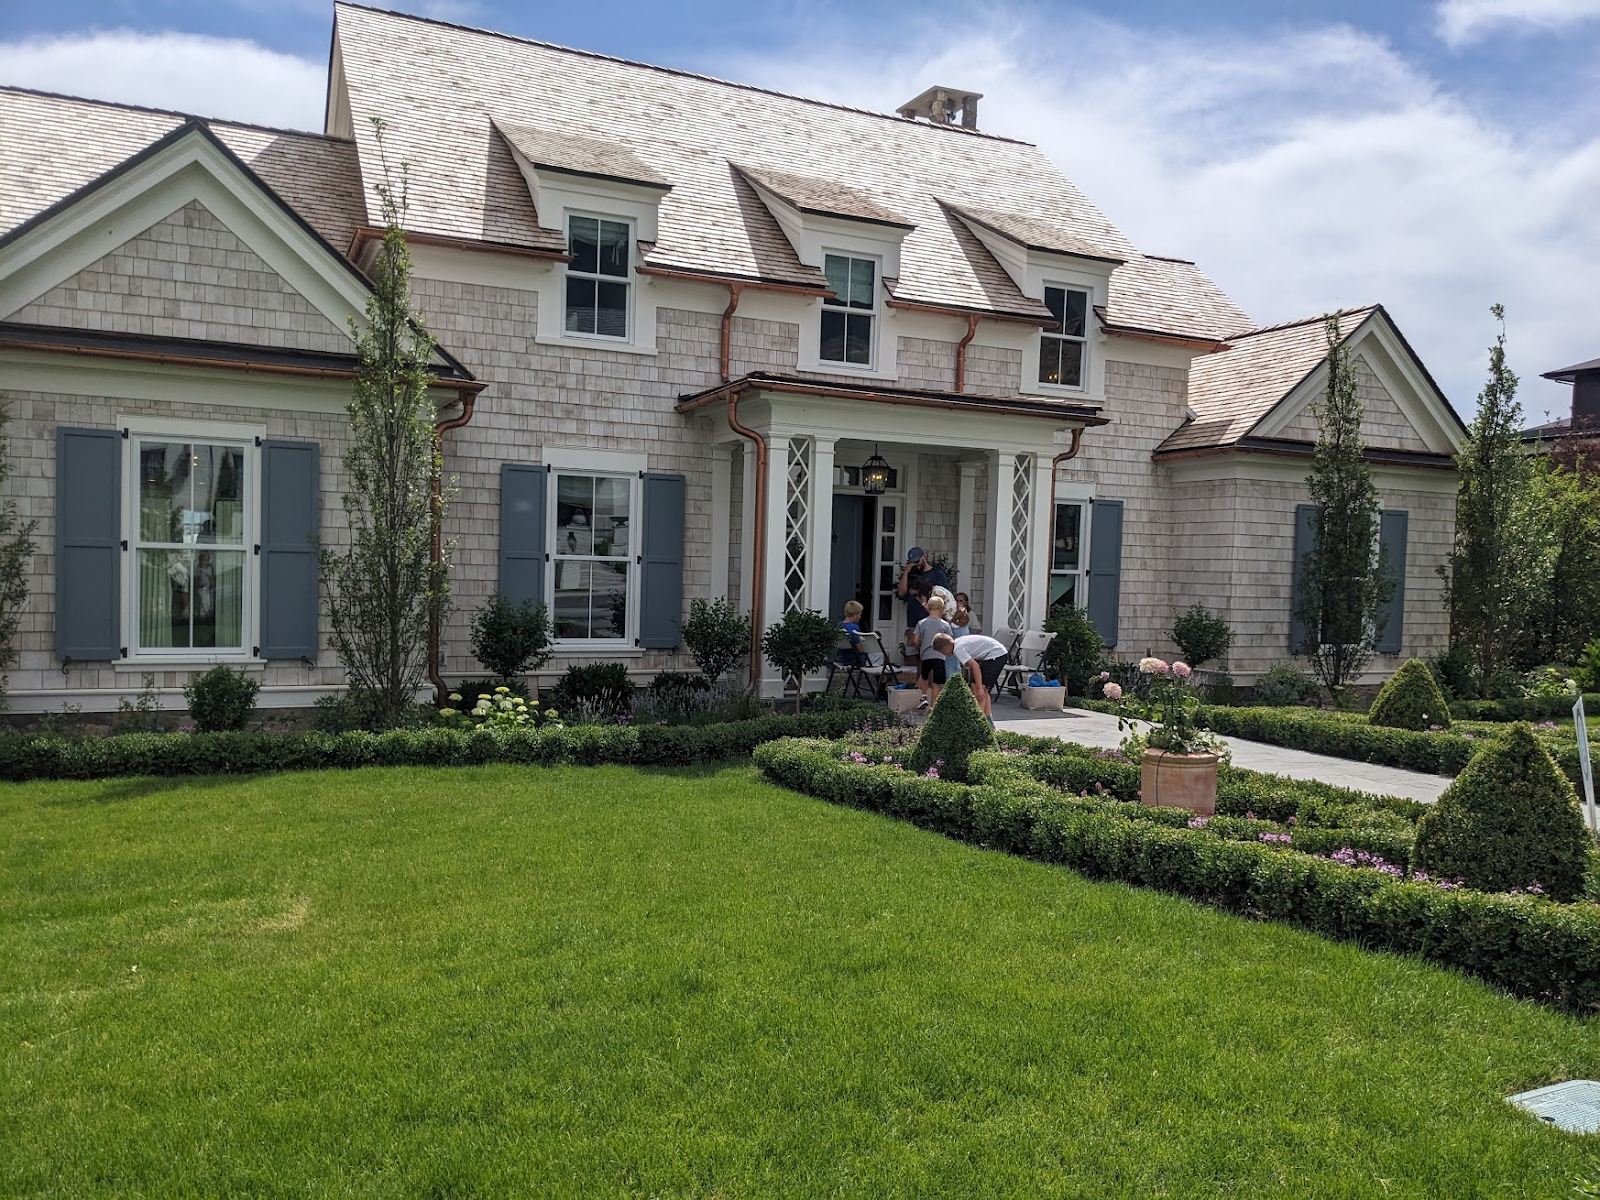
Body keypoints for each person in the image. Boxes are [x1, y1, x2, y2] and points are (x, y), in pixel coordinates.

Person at [932, 631, 1009, 720]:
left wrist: (979, 688)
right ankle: (988, 720)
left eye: (942, 652)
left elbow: (975, 666)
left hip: (996, 655)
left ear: (945, 648)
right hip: (995, 652)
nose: (943, 654)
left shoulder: (958, 650)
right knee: (977, 687)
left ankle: (979, 720)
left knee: (978, 689)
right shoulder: (958, 642)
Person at [897, 547, 949, 663]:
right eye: (912, 562)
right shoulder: (911, 574)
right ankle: (919, 675)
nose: (915, 565)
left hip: (929, 620)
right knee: (915, 655)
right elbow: (901, 593)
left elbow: (944, 596)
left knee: (929, 655)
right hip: (913, 620)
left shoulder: (937, 574)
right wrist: (906, 572)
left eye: (917, 561)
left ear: (923, 557)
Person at [910, 595, 953, 707]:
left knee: (924, 676)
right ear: (941, 609)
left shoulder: (922, 623)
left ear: (928, 607)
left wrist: (919, 647)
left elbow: (915, 640)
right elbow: (950, 640)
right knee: (936, 681)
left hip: (925, 654)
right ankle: (934, 704)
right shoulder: (944, 624)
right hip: (940, 655)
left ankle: (924, 697)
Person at [837, 599, 864, 666]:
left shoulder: (839, 625)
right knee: (883, 654)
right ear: (855, 615)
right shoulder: (853, 628)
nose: (860, 617)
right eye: (860, 615)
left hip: (843, 658)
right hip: (855, 660)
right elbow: (860, 649)